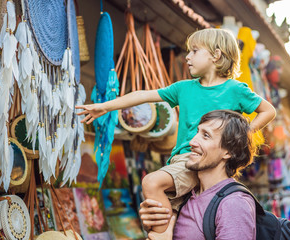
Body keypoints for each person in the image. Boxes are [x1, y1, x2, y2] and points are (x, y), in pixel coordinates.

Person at [76, 28, 276, 233]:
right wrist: (106, 106)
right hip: (181, 160)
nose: (187, 57)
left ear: (216, 55)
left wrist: (238, 138)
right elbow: (144, 95)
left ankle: (163, 235)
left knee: (152, 183)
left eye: (195, 51)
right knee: (160, 217)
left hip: (194, 160)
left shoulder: (235, 90)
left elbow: (268, 111)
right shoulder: (184, 88)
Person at [139, 110, 257, 240]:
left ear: (228, 152)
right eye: (197, 133)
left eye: (206, 136)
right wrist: (153, 220)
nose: (192, 142)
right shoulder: (186, 195)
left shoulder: (233, 204)